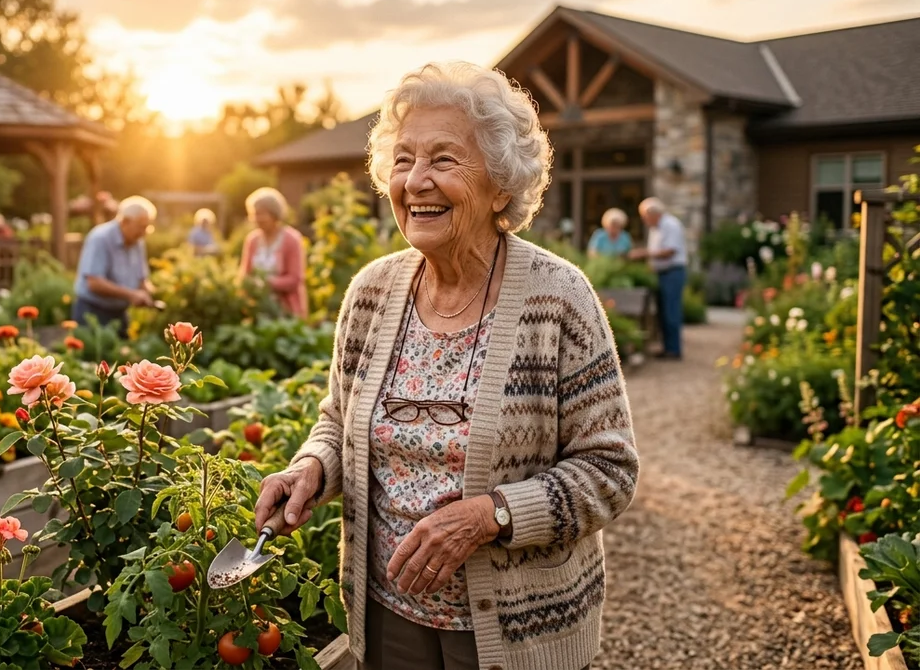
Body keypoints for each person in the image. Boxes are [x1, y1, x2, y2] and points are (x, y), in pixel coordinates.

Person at [254, 62, 639, 670]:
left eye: (444, 160)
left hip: (519, 629)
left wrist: (491, 515)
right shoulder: (372, 293)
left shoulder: (559, 300)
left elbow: (609, 470)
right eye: (403, 161)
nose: (416, 181)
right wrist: (311, 470)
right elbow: (338, 419)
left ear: (502, 186)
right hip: (387, 612)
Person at [72, 196, 157, 333]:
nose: (144, 232)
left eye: (147, 227)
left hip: (119, 313)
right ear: (125, 221)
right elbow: (94, 283)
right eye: (141, 227)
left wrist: (149, 293)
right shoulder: (100, 238)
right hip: (92, 311)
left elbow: (141, 279)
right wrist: (131, 295)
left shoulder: (137, 241)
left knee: (122, 353)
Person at [630, 197, 688, 360]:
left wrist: (645, 253)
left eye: (644, 217)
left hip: (673, 272)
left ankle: (674, 350)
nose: (644, 221)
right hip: (662, 273)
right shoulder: (656, 228)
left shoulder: (670, 225)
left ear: (652, 213)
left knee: (671, 311)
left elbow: (671, 251)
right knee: (663, 312)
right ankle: (667, 347)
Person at [239, 187, 308, 318]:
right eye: (255, 214)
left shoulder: (291, 239)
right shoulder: (252, 240)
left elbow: (295, 279)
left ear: (274, 214)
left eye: (261, 213)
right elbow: (244, 274)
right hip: (258, 308)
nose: (257, 218)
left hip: (286, 311)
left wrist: (267, 283)